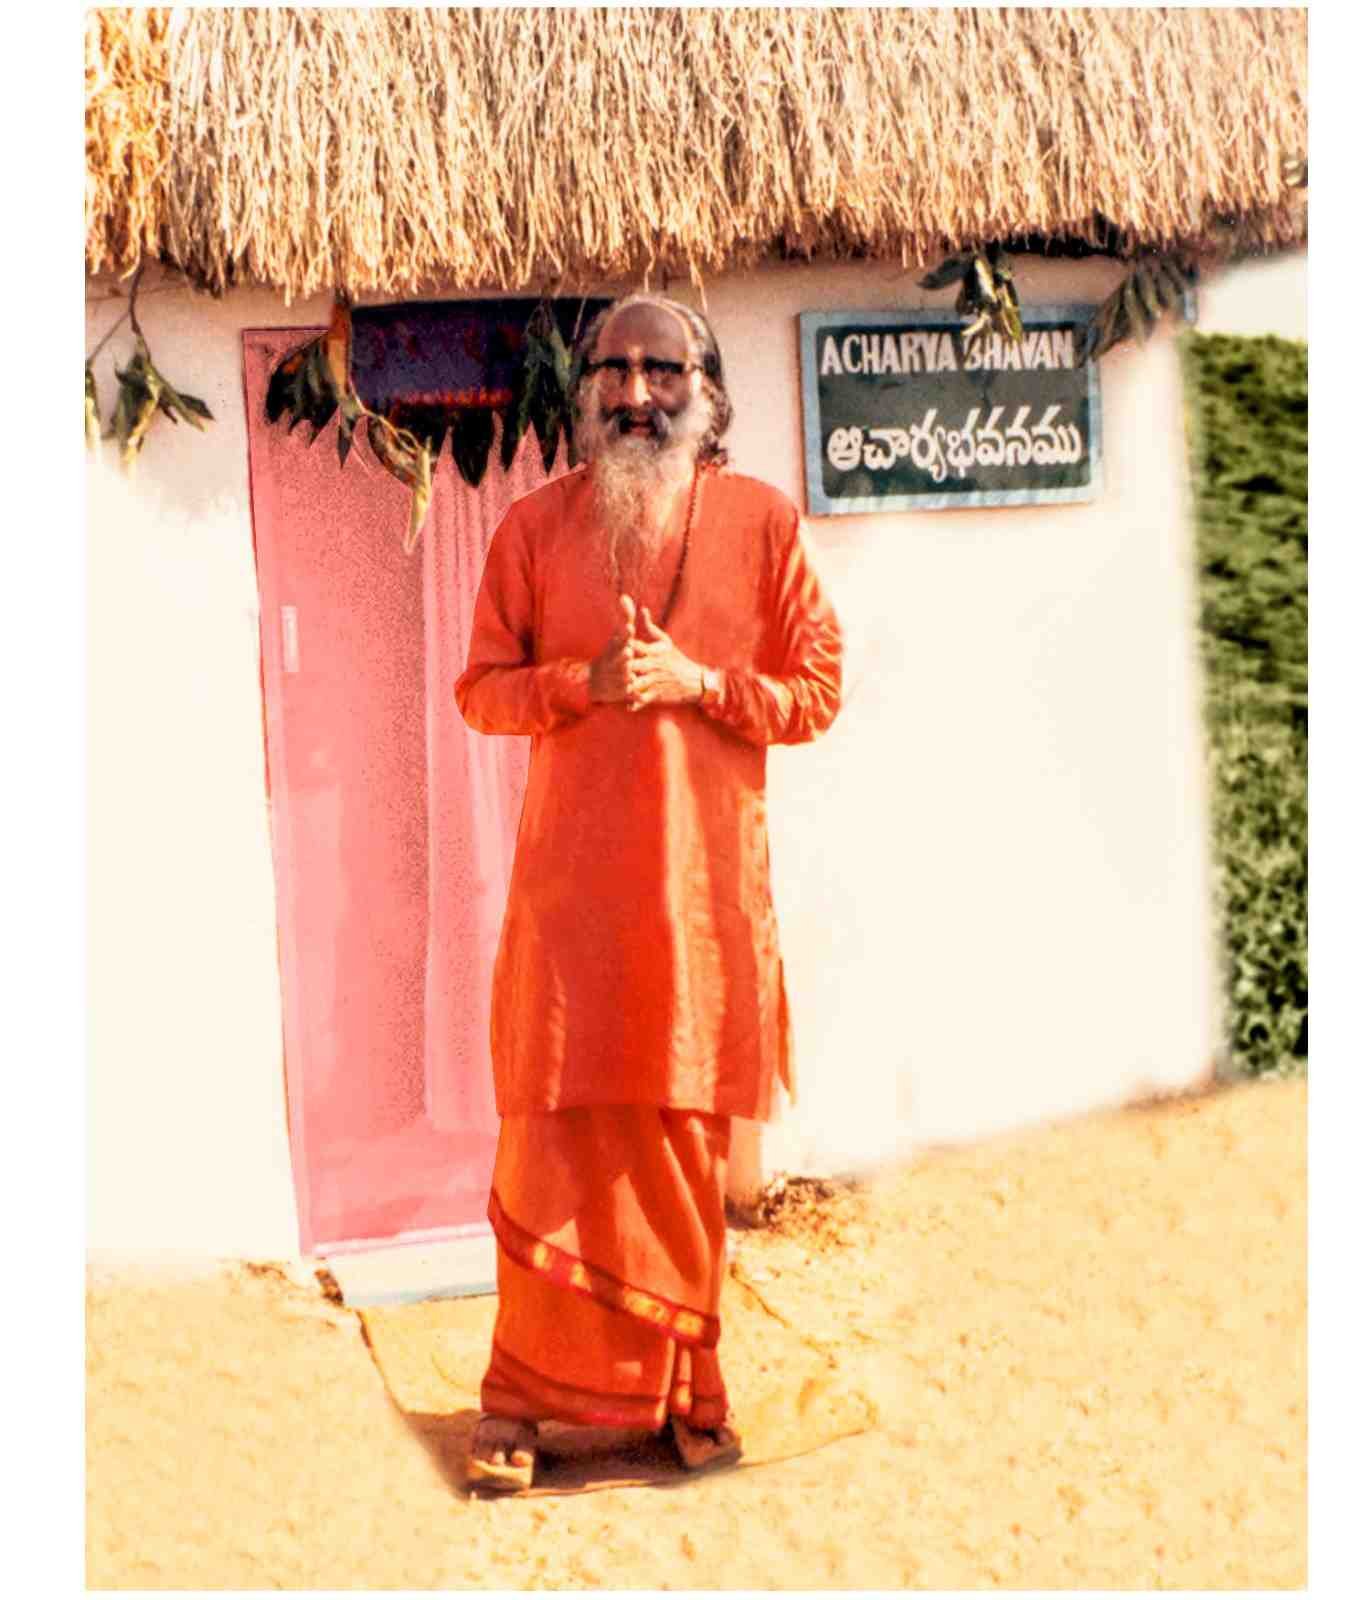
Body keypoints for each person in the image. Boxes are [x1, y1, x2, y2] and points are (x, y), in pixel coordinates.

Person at [454, 293, 842, 1491]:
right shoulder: (531, 529)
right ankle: (518, 1402)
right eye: (612, 370)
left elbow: (818, 691)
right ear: (584, 392)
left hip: (701, 906)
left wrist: (699, 682)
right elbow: (482, 689)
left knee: (679, 1150)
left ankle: (692, 1395)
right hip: (570, 905)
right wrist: (583, 681)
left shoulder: (765, 526)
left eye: (661, 370)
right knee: (551, 1147)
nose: (634, 393)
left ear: (708, 391)